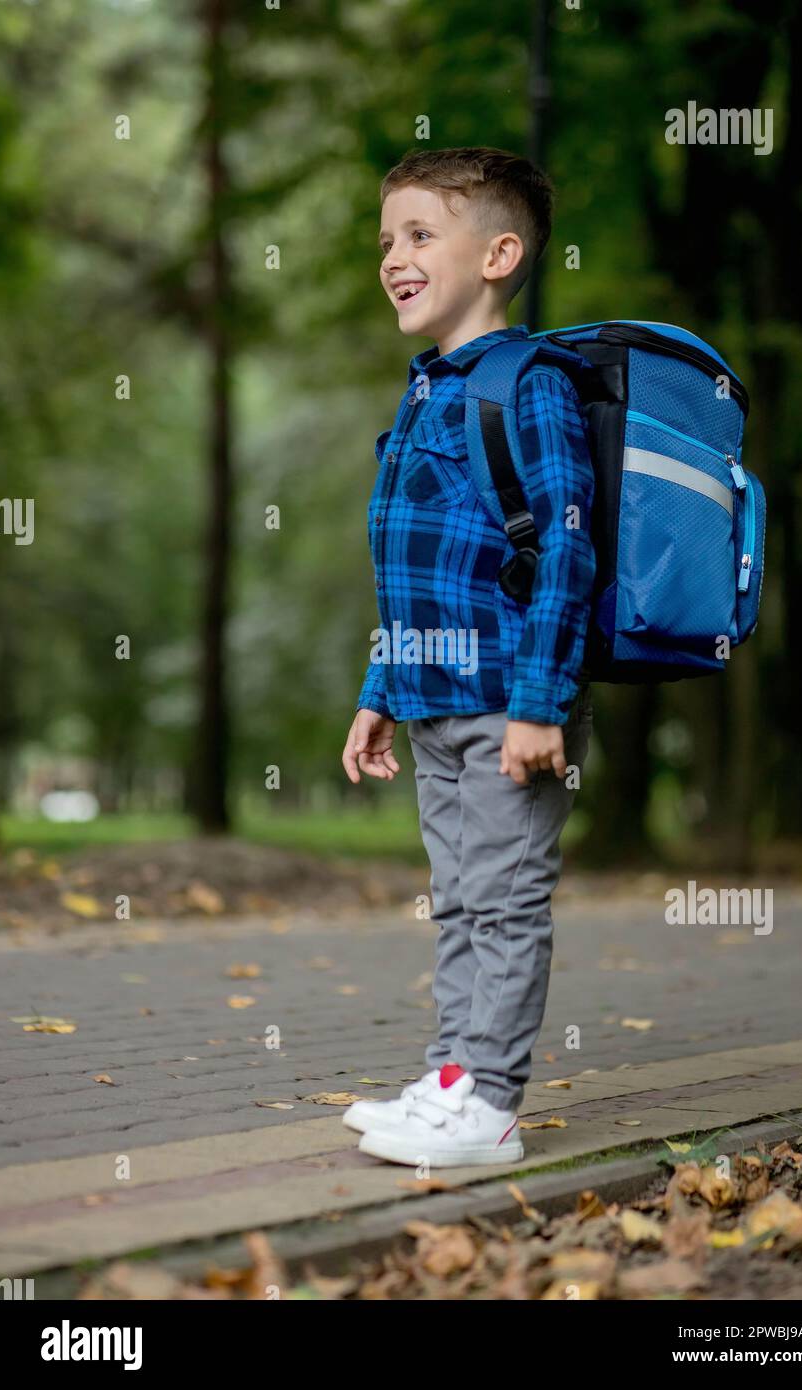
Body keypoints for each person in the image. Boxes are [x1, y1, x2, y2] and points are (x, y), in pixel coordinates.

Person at [340, 146, 596, 1167]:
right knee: (454, 901)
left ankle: (488, 1106)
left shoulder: (527, 384)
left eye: (416, 235)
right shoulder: (420, 394)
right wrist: (377, 693)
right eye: (384, 241)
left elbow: (567, 546)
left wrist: (540, 704)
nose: (391, 258)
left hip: (506, 703)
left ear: (497, 253)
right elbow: (414, 568)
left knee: (503, 897)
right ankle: (448, 1076)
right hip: (430, 699)